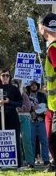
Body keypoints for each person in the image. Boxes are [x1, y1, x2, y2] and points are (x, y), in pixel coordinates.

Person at [0, 69, 22, 168]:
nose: (6, 77)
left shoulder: (14, 89)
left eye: (7, 75)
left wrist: (9, 102)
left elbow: (20, 103)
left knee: (15, 140)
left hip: (12, 117)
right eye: (3, 75)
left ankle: (18, 164)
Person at [38, 12, 56, 172]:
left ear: (44, 28)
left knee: (53, 140)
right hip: (52, 104)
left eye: (39, 26)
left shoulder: (53, 48)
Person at [26, 81, 50, 167]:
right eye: (31, 85)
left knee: (44, 141)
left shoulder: (42, 95)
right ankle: (31, 161)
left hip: (41, 121)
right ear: (29, 86)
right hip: (30, 121)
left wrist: (44, 109)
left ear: (37, 86)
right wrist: (32, 107)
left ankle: (46, 160)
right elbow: (24, 107)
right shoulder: (26, 96)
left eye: (35, 85)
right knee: (31, 142)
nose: (33, 86)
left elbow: (47, 106)